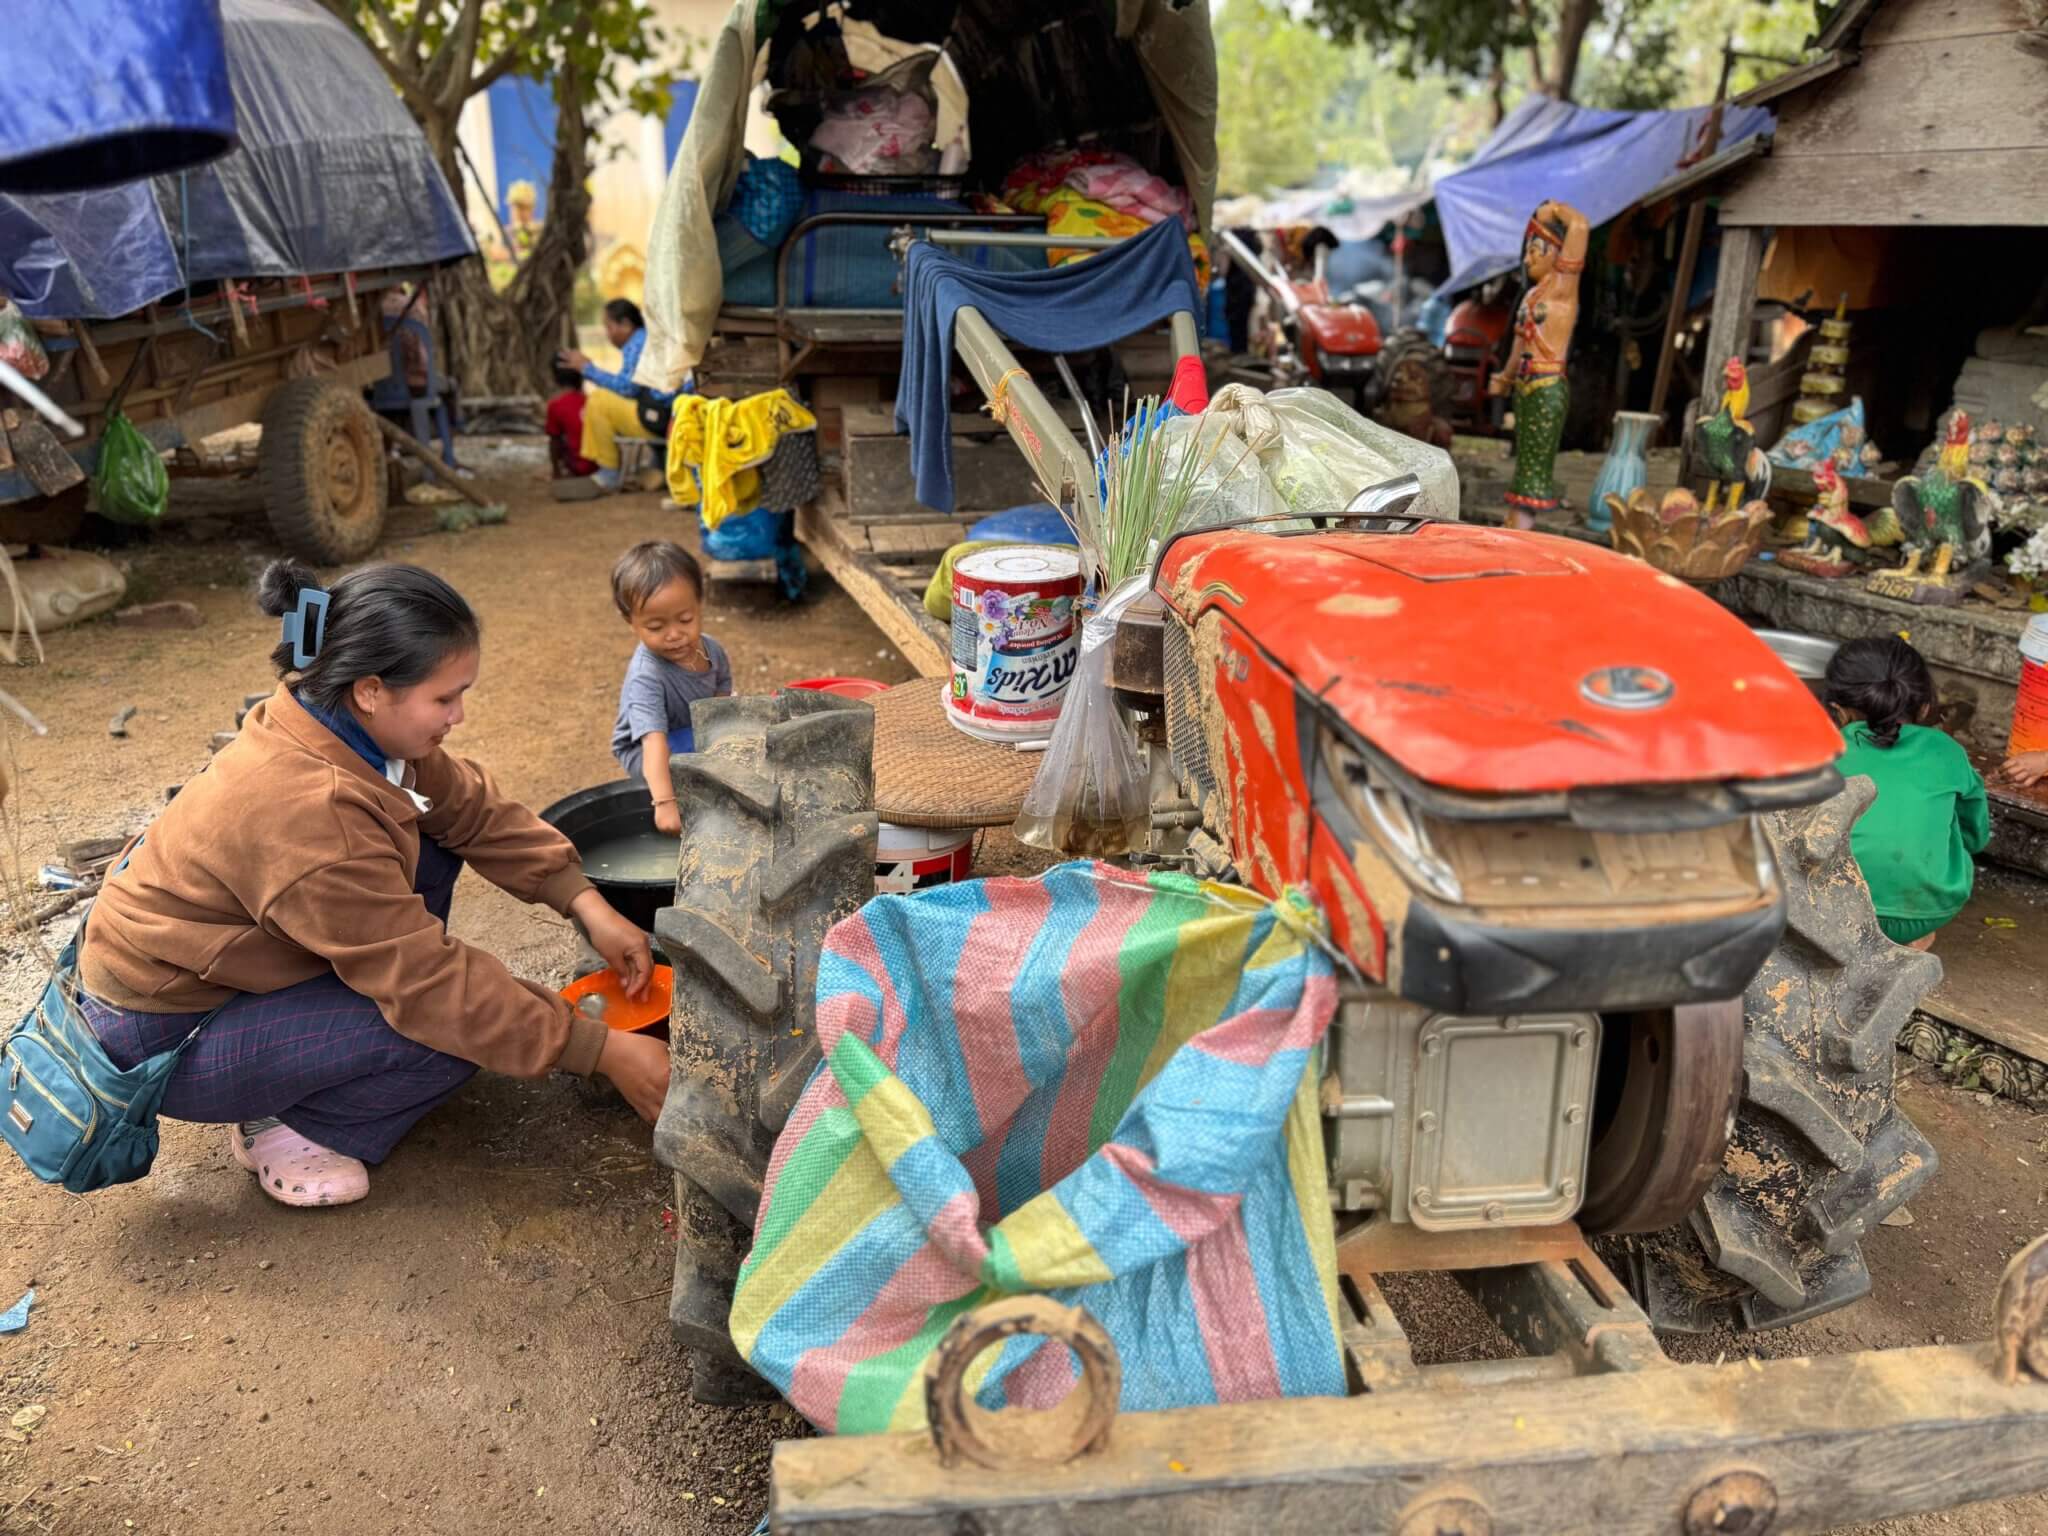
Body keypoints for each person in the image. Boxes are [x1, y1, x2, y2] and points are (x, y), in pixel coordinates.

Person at [74, 561, 668, 1209]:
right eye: (444, 699)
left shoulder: (338, 725)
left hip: (226, 970)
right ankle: (290, 1126)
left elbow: (468, 808)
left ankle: (317, 1051)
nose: (459, 715)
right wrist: (601, 1049)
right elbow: (430, 987)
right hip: (160, 1036)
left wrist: (586, 903)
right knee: (445, 1040)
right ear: (371, 690)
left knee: (433, 846)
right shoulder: (311, 811)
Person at [1823, 636, 1990, 950]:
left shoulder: (1823, 750)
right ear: (1924, 707)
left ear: (1839, 711)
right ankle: (1902, 939)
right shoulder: (1947, 751)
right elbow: (1975, 836)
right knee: (1950, 820)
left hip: (1826, 909)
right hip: (1925, 912)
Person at [610, 542, 733, 835]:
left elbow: (722, 701)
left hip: (689, 733)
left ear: (699, 603)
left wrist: (723, 745)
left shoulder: (713, 651)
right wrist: (666, 803)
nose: (675, 634)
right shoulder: (646, 677)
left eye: (685, 620)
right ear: (631, 622)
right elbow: (654, 742)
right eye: (656, 627)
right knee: (688, 780)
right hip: (646, 748)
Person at [557, 298, 678, 492]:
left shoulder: (637, 342)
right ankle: (655, 466)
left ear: (626, 325)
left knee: (599, 400)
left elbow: (627, 388)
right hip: (663, 414)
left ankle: (609, 473)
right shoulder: (644, 338)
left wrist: (588, 369)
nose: (607, 334)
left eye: (609, 327)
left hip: (657, 419)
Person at [544, 363, 598, 484]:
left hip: (578, 468)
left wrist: (556, 471)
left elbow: (554, 442)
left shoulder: (556, 405)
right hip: (600, 467)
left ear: (556, 378)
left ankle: (564, 471)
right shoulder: (593, 401)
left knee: (558, 437)